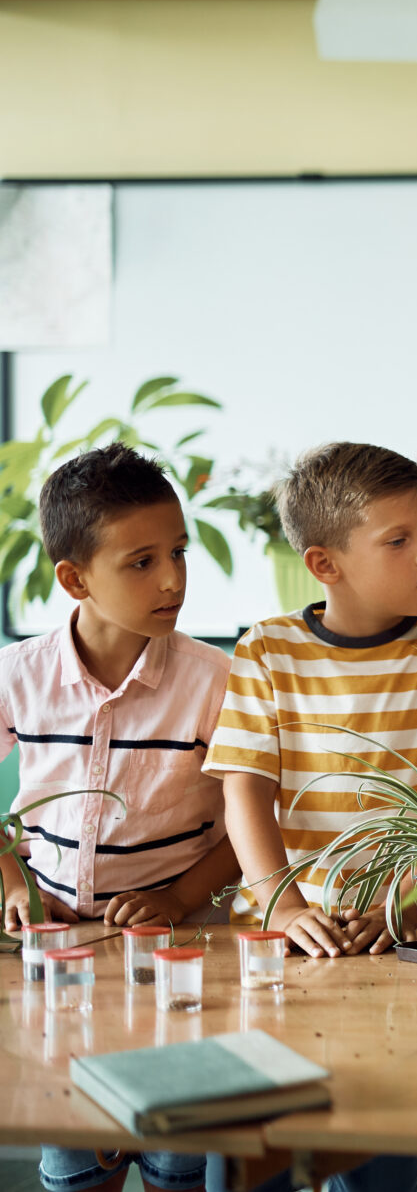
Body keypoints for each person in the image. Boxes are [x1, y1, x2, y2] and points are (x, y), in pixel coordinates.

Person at [1, 444, 238, 1192]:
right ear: (75, 579)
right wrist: (13, 879)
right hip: (57, 963)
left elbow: (251, 822)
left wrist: (176, 897)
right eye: (141, 562)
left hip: (181, 958)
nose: (173, 579)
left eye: (178, 552)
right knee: (77, 1164)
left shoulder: (215, 682)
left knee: (178, 1164)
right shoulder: (18, 674)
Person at [204, 442, 417, 955]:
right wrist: (286, 909)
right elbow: (245, 795)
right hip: (289, 940)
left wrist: (399, 906)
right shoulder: (266, 650)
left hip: (416, 933)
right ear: (325, 564)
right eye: (397, 540)